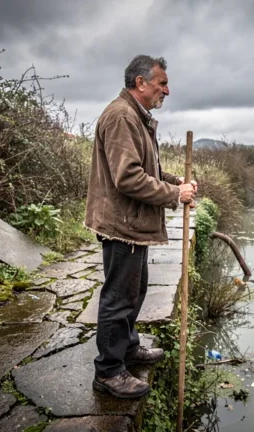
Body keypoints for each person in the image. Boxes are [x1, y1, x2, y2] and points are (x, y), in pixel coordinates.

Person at [84, 54, 197, 399]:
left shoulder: (135, 117)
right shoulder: (121, 117)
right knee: (119, 297)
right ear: (141, 83)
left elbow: (144, 167)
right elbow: (128, 177)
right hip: (122, 224)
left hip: (130, 223)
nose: (167, 90)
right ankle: (109, 371)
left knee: (134, 291)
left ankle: (128, 348)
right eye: (162, 83)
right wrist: (175, 194)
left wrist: (174, 180)